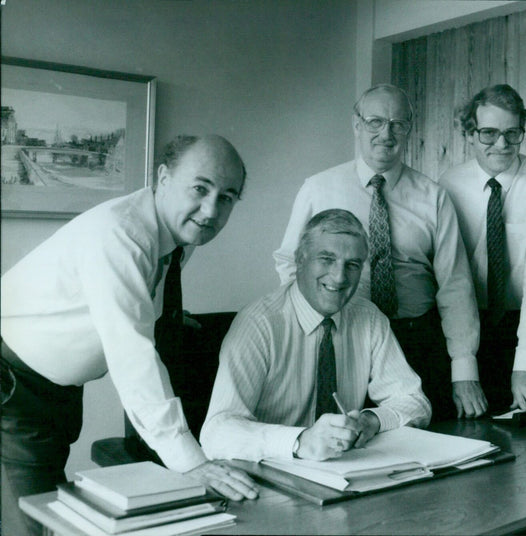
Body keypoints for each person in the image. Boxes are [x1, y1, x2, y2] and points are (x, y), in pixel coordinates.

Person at [1, 135, 259, 536]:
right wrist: (192, 461)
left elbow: (135, 296)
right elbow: (131, 356)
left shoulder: (177, 234)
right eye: (200, 188)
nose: (210, 210)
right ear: (163, 177)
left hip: (54, 394)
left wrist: (168, 316)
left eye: (227, 197)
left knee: (49, 522)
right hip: (13, 387)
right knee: (32, 527)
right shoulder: (119, 233)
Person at [274, 84, 485, 421]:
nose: (386, 134)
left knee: (427, 447)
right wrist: (316, 323)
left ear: (409, 129)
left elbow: (455, 285)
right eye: (375, 122)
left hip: (418, 342)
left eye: (397, 124)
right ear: (356, 124)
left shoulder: (433, 196)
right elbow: (290, 262)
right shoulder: (318, 188)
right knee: (346, 441)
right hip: (346, 338)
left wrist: (464, 371)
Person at [201, 209, 431, 461]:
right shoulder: (258, 323)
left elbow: (414, 401)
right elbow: (216, 433)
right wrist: (299, 441)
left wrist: (370, 420)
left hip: (345, 471)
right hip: (273, 471)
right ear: (300, 258)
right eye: (326, 259)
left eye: (352, 265)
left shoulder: (369, 317)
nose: (340, 277)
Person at [439, 84, 526, 415]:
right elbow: (448, 276)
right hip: (464, 328)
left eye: (512, 134)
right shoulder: (447, 186)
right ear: (469, 134)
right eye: (488, 133)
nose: (502, 144)